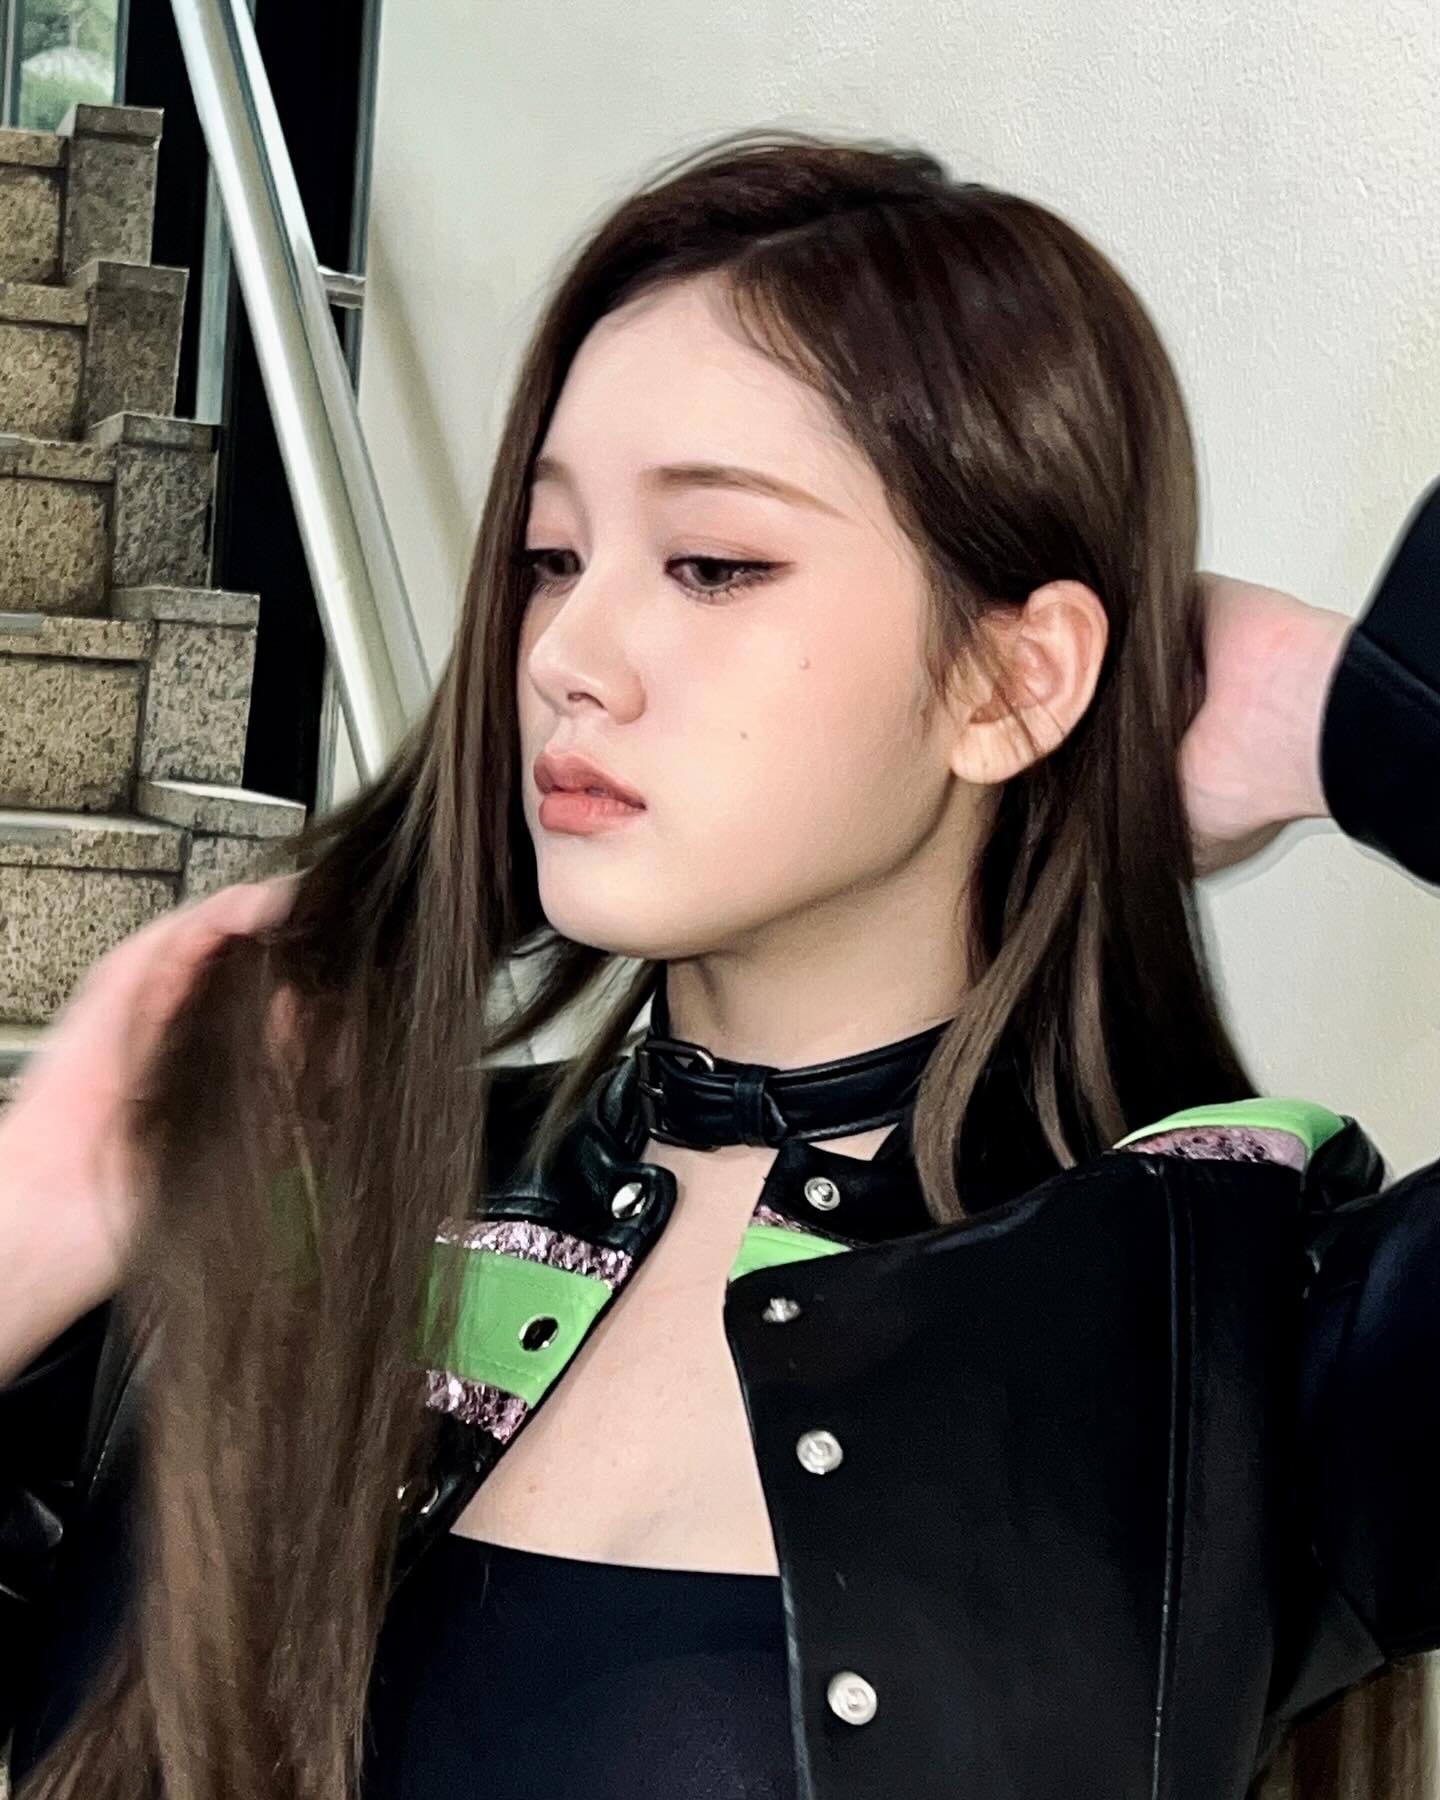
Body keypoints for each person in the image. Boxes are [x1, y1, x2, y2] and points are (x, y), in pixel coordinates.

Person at [0, 126, 1435, 1800]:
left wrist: (1342, 713)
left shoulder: (1238, 1317)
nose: (570, 654)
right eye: (551, 558)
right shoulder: (324, 1198)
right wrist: (42, 1210)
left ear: (1012, 679)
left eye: (714, 564)